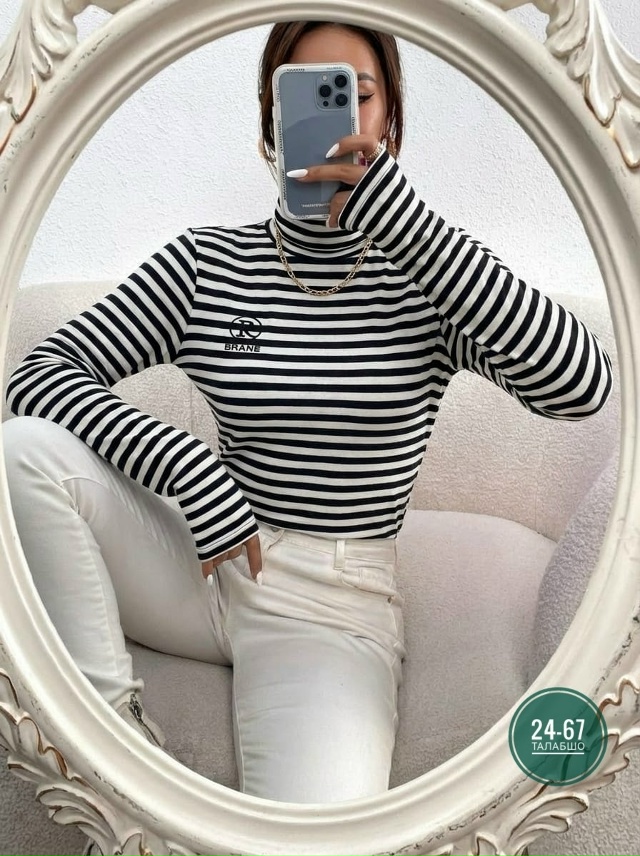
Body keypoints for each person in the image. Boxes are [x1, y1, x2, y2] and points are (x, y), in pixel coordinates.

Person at [3, 19, 613, 813]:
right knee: (23, 451)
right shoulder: (208, 265)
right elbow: (36, 379)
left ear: (391, 120)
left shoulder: (431, 277)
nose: (339, 121)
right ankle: (109, 747)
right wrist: (186, 468)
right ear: (272, 120)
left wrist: (405, 224)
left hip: (332, 605)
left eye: (359, 95)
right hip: (204, 557)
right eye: (311, 97)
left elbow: (580, 385)